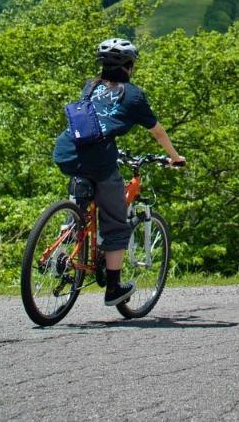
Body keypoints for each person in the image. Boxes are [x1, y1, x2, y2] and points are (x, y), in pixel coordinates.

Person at [53, 38, 185, 307]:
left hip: (66, 151)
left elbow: (95, 119)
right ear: (128, 66)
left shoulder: (90, 86)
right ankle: (113, 288)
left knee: (82, 196)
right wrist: (175, 158)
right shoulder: (133, 95)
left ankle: (64, 241)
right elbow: (157, 132)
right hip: (99, 159)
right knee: (115, 223)